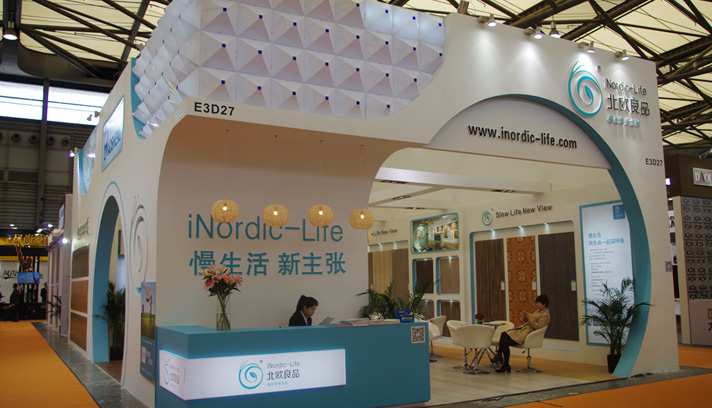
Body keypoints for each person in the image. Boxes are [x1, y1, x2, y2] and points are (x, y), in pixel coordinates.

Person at [490, 294, 550, 373]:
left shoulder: (546, 315)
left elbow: (538, 326)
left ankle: (502, 361)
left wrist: (530, 317)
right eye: (536, 303)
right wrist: (526, 317)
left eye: (539, 303)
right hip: (522, 330)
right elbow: (529, 322)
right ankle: (502, 359)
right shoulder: (537, 312)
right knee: (504, 334)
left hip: (527, 334)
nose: (537, 305)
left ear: (544, 304)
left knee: (505, 342)